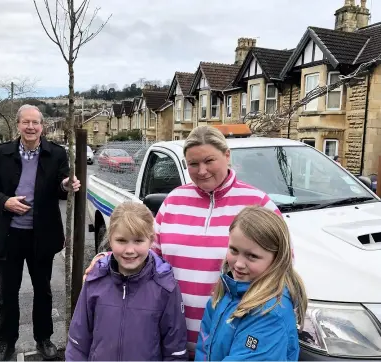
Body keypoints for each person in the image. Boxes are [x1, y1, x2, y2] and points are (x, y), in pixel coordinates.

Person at [84, 125, 281, 356]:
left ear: (227, 155)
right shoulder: (174, 201)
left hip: (228, 344)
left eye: (210, 160)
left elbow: (280, 268)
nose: (202, 170)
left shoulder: (258, 203)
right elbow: (146, 257)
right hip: (168, 338)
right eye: (193, 164)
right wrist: (106, 259)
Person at [0, 104, 81, 361]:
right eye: (25, 122)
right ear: (18, 125)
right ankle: (6, 342)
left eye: (35, 122)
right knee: (8, 293)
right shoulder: (3, 152)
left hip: (42, 236)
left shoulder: (56, 154)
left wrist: (67, 184)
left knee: (43, 290)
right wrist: (5, 201)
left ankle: (44, 338)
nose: (30, 127)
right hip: (10, 235)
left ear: (42, 126)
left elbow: (61, 186)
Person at [66, 202, 188, 361]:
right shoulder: (94, 281)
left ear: (151, 240)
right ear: (110, 239)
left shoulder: (165, 287)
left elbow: (175, 352)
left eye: (138, 241)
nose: (130, 250)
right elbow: (77, 343)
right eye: (122, 241)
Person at [195, 205, 307, 361]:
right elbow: (203, 348)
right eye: (234, 250)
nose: (239, 264)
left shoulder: (270, 314)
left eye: (252, 256)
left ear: (277, 259)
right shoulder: (226, 293)